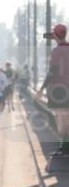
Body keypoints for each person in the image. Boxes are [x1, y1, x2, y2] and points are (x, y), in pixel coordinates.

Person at [41, 23, 69, 156]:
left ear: (56, 35)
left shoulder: (56, 51)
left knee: (62, 122)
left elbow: (53, 72)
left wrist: (41, 89)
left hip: (60, 91)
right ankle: (64, 148)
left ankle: (64, 149)